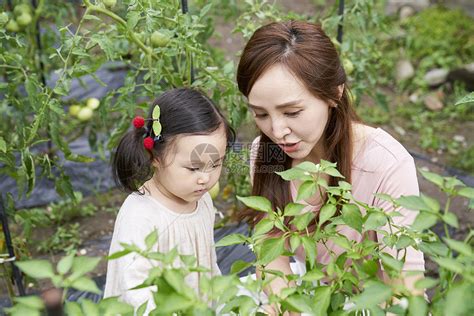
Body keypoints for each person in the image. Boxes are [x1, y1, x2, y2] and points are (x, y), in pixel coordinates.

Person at [236, 21, 425, 310]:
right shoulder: (264, 153)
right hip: (310, 294)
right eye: (261, 114)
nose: (277, 130)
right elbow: (272, 257)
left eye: (292, 112)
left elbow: (405, 289)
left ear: (334, 94)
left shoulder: (385, 163)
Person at [104, 88, 235, 312]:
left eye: (216, 164)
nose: (205, 178)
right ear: (154, 157)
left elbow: (208, 265)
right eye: (193, 168)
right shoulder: (141, 216)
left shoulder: (202, 201)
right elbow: (135, 291)